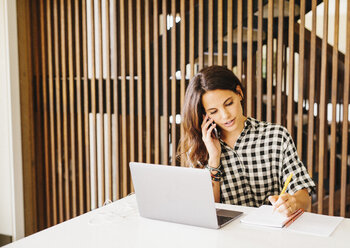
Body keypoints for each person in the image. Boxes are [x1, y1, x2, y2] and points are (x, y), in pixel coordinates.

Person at [178, 65, 315, 217]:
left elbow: (304, 195)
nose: (225, 116)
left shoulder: (276, 136)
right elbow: (207, 211)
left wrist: (292, 202)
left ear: (239, 93)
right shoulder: (200, 148)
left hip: (273, 235)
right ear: (204, 115)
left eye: (229, 103)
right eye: (214, 112)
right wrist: (214, 159)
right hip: (226, 237)